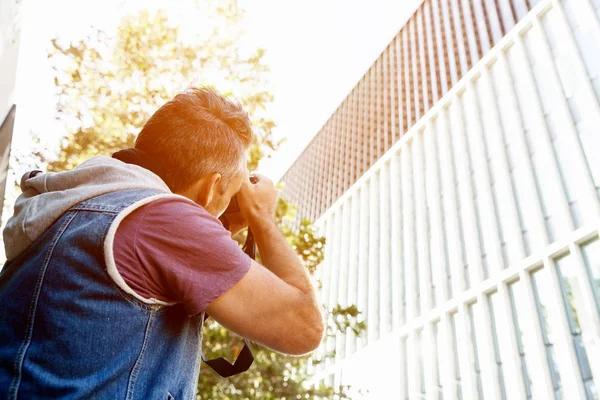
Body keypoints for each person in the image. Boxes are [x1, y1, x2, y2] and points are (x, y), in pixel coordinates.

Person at [0, 87, 324, 399]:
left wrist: (221, 223)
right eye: (229, 192)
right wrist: (262, 216)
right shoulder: (166, 221)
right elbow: (303, 328)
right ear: (211, 188)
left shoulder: (68, 205)